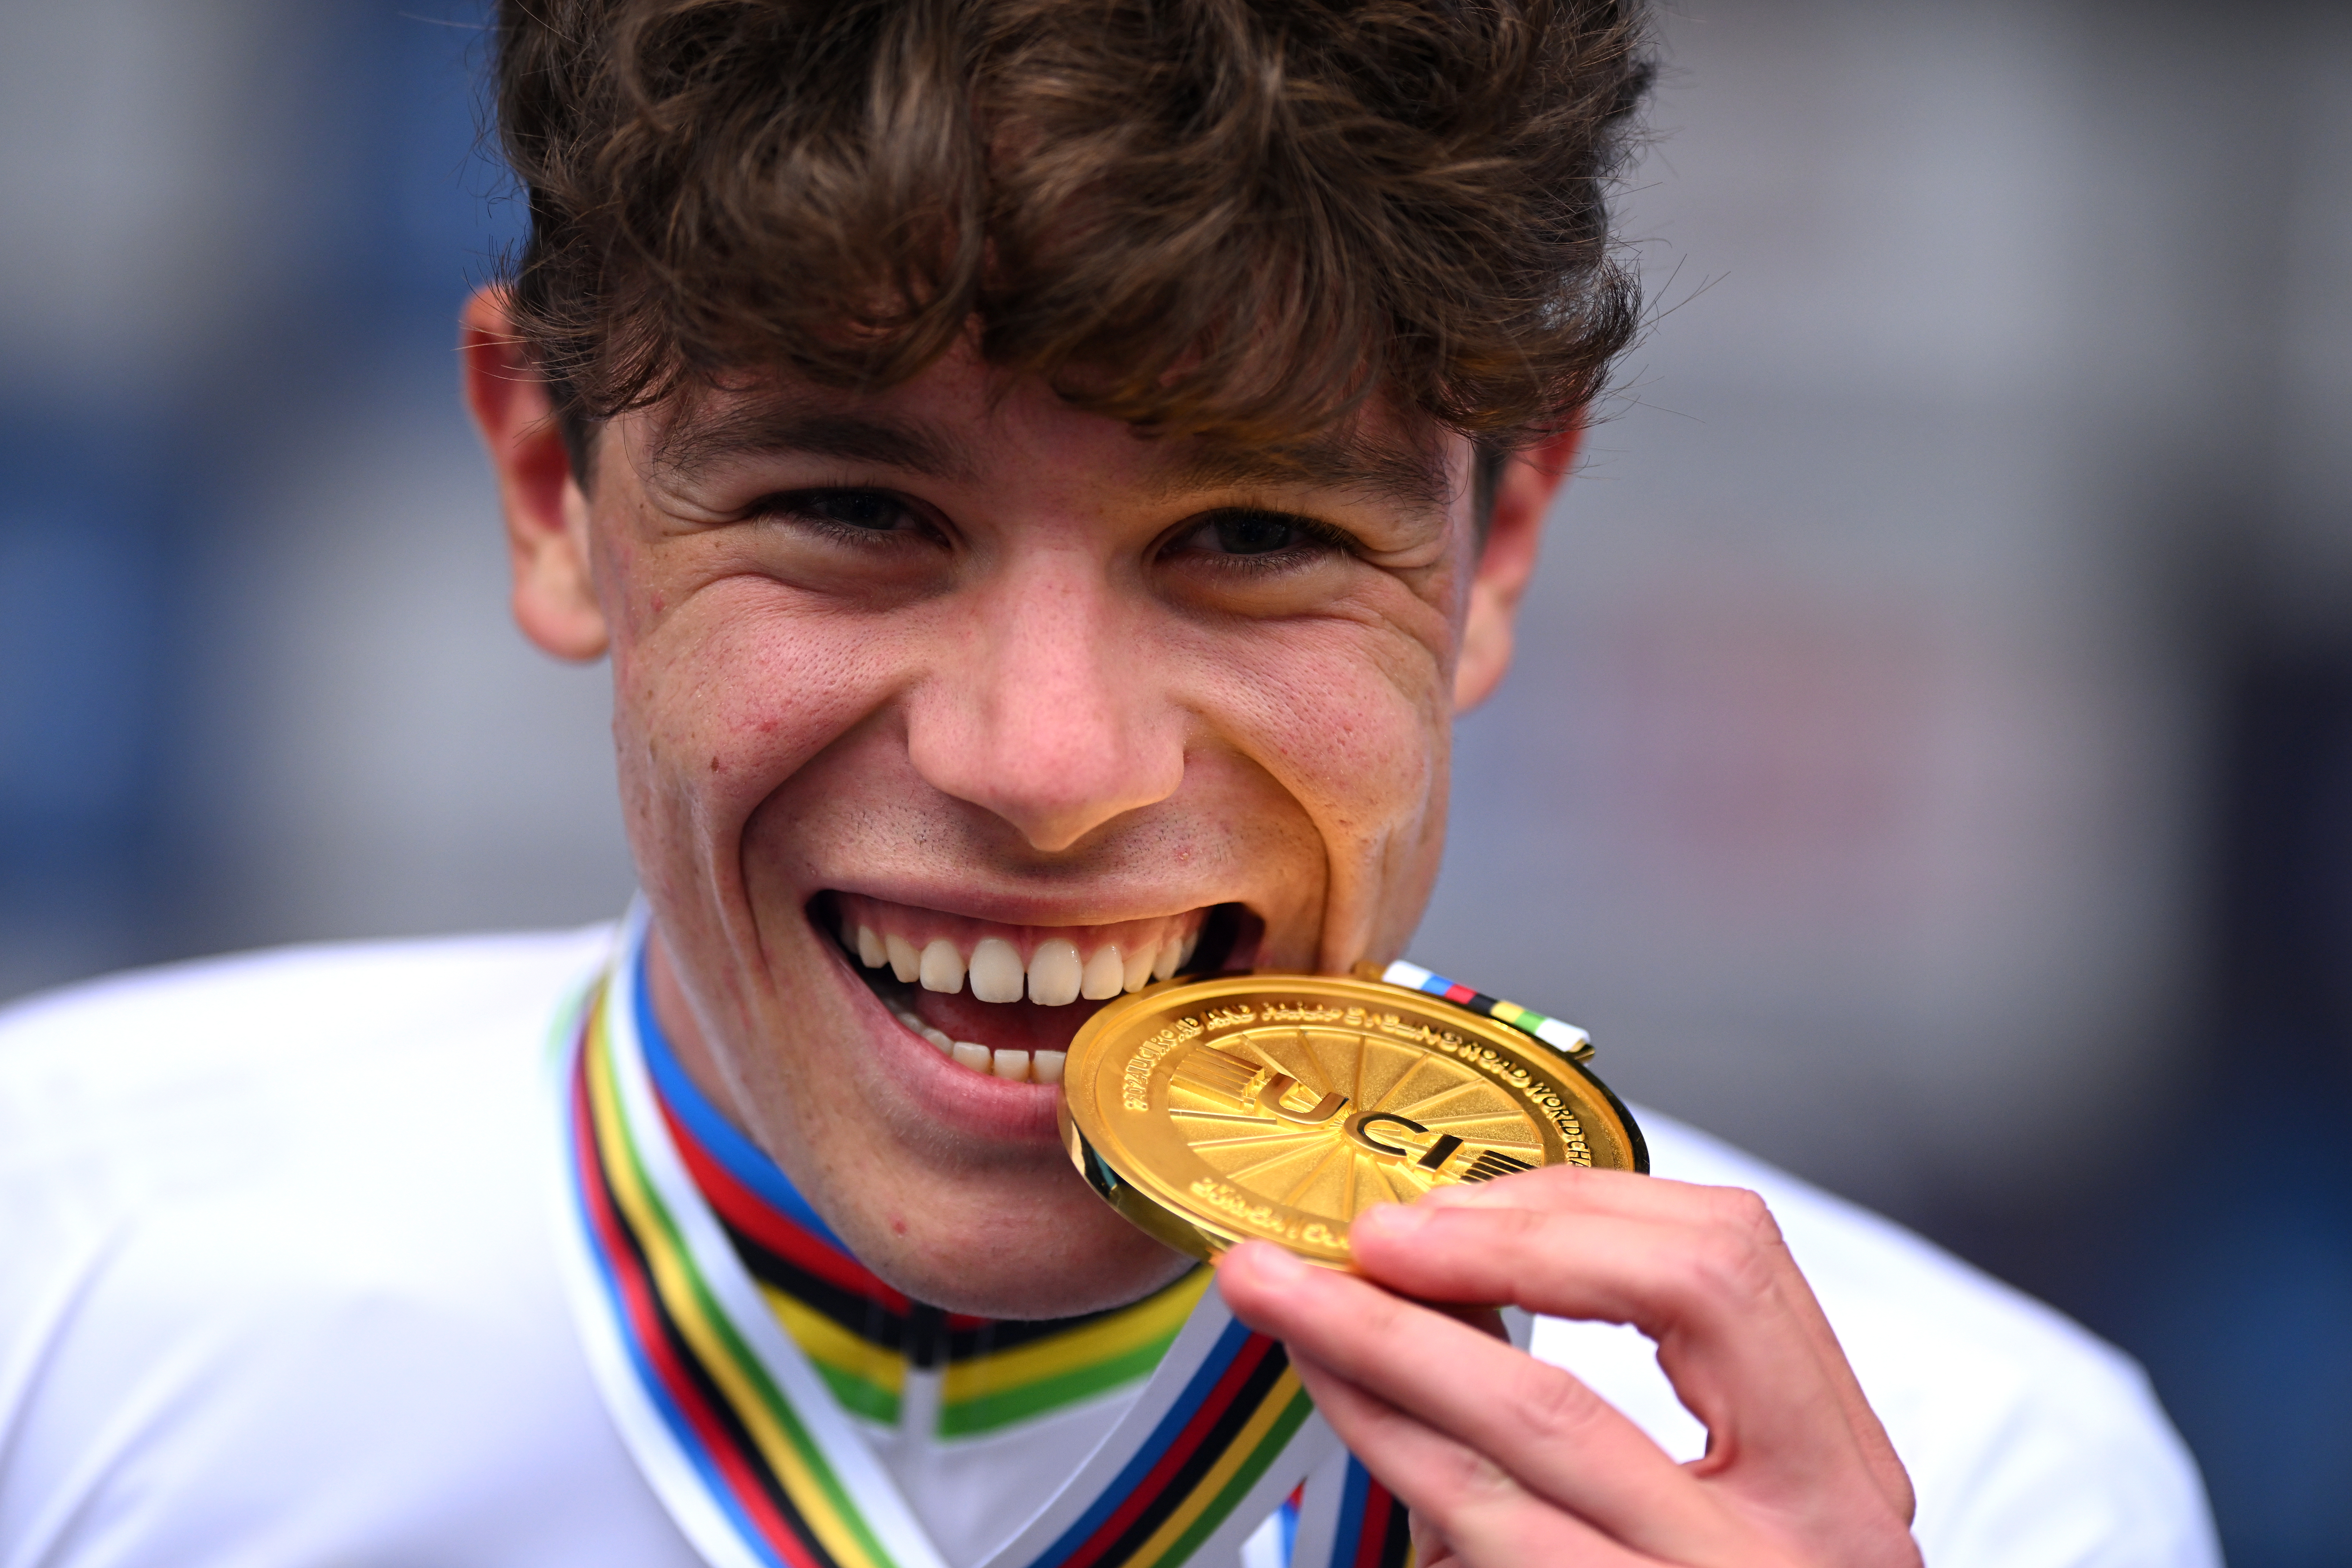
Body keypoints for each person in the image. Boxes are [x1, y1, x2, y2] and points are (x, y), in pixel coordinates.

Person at [0, 1, 2218, 1564]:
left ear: (1497, 548)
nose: (1045, 769)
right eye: (856, 511)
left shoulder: (1986, 1489)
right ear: (548, 485)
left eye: (1253, 537)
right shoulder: (51, 1274)